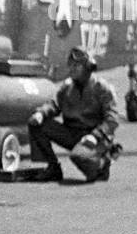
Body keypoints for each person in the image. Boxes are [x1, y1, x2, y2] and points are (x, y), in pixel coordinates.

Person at [28, 46, 121, 183]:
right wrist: (41, 113)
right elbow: (55, 105)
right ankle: (53, 167)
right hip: (73, 133)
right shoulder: (67, 88)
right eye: (70, 65)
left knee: (79, 156)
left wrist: (95, 136)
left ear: (87, 67)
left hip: (95, 137)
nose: (71, 69)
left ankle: (102, 165)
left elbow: (112, 119)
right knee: (36, 124)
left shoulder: (102, 88)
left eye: (76, 66)